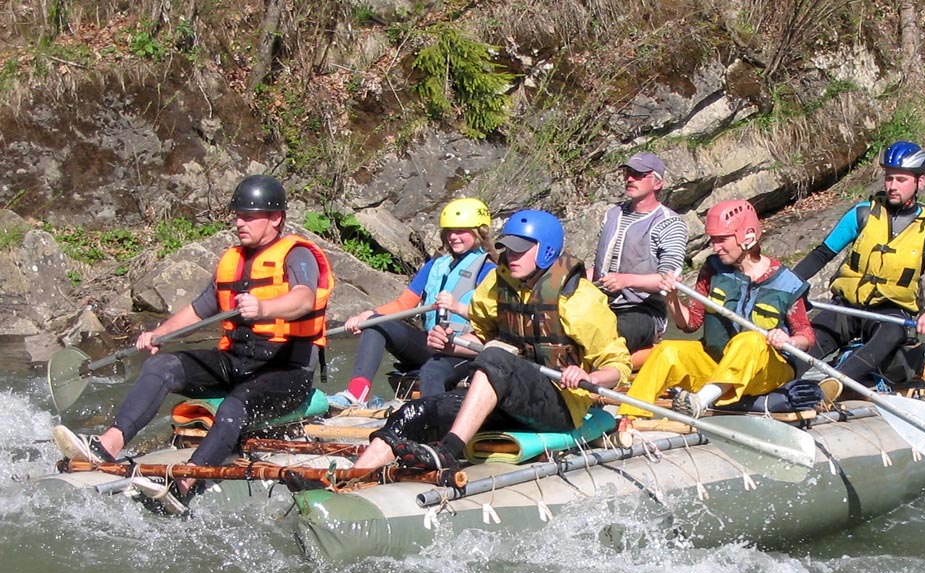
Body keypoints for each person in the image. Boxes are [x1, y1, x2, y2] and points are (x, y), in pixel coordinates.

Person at [53, 174, 335, 497]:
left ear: (275, 219)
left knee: (233, 406)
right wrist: (159, 333)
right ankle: (106, 446)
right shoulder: (233, 260)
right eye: (237, 215)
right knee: (164, 368)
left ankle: (187, 482)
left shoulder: (298, 256)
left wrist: (264, 308)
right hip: (238, 364)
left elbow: (303, 298)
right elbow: (200, 309)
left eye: (248, 216)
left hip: (286, 373)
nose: (239, 222)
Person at [350, 209, 632, 474]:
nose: (511, 256)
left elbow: (618, 366)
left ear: (545, 251)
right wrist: (452, 346)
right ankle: (355, 476)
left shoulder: (580, 300)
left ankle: (448, 449)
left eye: (520, 250)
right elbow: (480, 339)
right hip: (504, 397)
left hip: (558, 405)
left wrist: (587, 375)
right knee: (415, 411)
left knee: (496, 358)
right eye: (508, 248)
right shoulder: (499, 284)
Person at [618, 199, 814, 420]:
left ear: (747, 237)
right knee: (667, 351)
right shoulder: (713, 269)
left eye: (722, 240)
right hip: (716, 365)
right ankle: (629, 417)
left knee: (750, 340)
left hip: (765, 372)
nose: (715, 247)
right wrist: (672, 297)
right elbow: (690, 324)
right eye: (713, 240)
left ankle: (701, 401)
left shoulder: (787, 283)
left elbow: (806, 336)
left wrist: (789, 340)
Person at [792, 140, 925, 389]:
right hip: (848, 307)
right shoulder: (862, 214)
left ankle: (836, 383)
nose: (892, 186)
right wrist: (788, 287)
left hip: (891, 314)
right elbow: (821, 255)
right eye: (889, 178)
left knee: (890, 332)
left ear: (919, 182)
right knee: (809, 342)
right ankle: (776, 380)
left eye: (901, 180)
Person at [331, 198, 498, 405]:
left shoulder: (490, 271)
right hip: (432, 343)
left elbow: (493, 320)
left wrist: (456, 307)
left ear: (478, 232)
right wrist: (369, 315)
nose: (453, 236)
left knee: (434, 369)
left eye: (461, 231)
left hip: (462, 350)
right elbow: (403, 304)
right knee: (376, 322)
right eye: (449, 231)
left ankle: (431, 421)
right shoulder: (435, 265)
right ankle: (357, 394)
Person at [592, 151, 689, 352]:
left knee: (611, 336)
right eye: (628, 173)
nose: (629, 178)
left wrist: (626, 280)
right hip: (601, 302)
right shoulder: (612, 215)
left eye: (638, 174)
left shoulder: (670, 223)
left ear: (657, 183)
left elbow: (668, 279)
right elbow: (599, 268)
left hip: (643, 311)